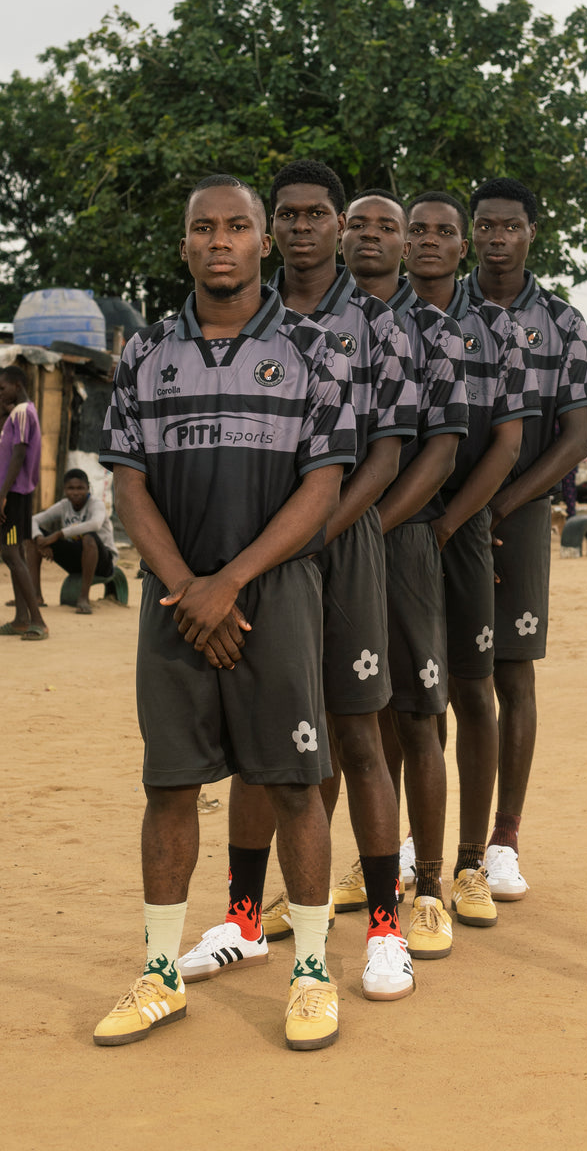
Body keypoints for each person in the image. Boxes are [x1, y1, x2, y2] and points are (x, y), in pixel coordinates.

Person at [94, 175, 357, 1051]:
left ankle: (313, 973)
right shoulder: (145, 355)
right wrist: (188, 587)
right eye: (202, 228)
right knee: (169, 784)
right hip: (176, 598)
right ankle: (161, 972)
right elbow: (128, 484)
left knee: (292, 784)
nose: (219, 240)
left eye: (237, 226)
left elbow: (323, 485)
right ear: (184, 247)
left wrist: (232, 582)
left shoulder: (317, 350)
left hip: (273, 596)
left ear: (262, 243)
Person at [177, 160, 420, 1003]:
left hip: (341, 541)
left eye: (322, 213)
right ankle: (243, 920)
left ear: (340, 222)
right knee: (259, 740)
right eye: (291, 214)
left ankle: (387, 929)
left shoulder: (380, 325)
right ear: (271, 228)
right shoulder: (247, 316)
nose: (307, 226)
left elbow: (387, 453)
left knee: (358, 734)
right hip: (254, 547)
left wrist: (322, 530)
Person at [463, 177, 587, 899]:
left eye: (509, 226)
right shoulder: (438, 312)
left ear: (531, 233)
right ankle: (420, 837)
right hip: (440, 508)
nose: (495, 237)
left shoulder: (563, 322)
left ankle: (503, 839)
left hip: (514, 517)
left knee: (511, 674)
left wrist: (505, 502)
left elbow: (576, 437)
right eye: (484, 225)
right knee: (428, 677)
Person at [404, 190, 541, 928]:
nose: (429, 241)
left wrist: (452, 525)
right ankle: (400, 851)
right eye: (416, 229)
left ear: (462, 249)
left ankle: (471, 859)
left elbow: (509, 445)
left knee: (472, 691)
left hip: (460, 528)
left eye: (444, 232)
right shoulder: (376, 322)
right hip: (398, 529)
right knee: (399, 699)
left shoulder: (497, 330)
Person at [348, 188, 469, 959]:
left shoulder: (437, 332)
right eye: (356, 223)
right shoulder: (304, 324)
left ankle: (429, 888)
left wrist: (365, 528)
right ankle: (358, 873)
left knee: (419, 715)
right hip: (315, 541)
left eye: (385, 226)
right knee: (338, 718)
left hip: (400, 542)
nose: (370, 235)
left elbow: (442, 450)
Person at [27, 468, 118, 613]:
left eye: (80, 488)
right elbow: (33, 520)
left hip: (103, 562)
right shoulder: (64, 505)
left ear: (88, 488)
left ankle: (83, 598)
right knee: (31, 539)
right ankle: (36, 596)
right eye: (71, 488)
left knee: (89, 537)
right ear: (64, 490)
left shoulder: (96, 504)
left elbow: (95, 524)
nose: (75, 492)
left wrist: (58, 535)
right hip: (77, 559)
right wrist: (40, 541)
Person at [0, 365, 47, 639]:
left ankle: (38, 620)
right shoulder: (18, 413)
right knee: (12, 552)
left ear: (17, 385)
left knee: (11, 553)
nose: (0, 393)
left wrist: (3, 495)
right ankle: (20, 618)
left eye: (2, 387)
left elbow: (18, 455)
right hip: (14, 494)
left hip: (14, 495)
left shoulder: (22, 412)